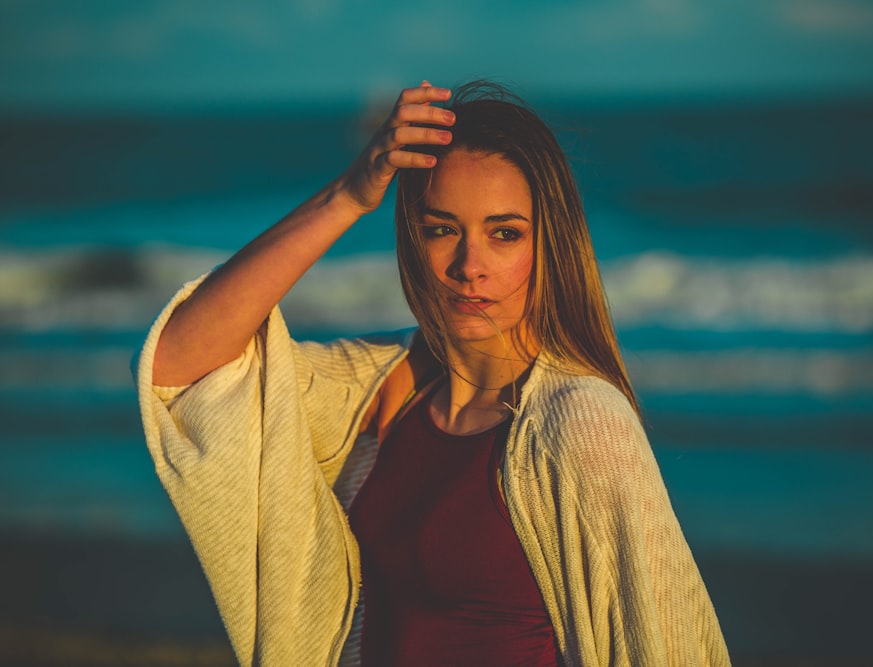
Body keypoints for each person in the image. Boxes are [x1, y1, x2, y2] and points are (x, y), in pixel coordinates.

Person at [135, 80, 730, 666]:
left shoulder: (583, 424)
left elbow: (662, 642)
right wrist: (348, 196)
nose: (471, 266)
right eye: (442, 229)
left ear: (550, 245)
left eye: (505, 234)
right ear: (411, 239)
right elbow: (183, 363)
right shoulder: (383, 389)